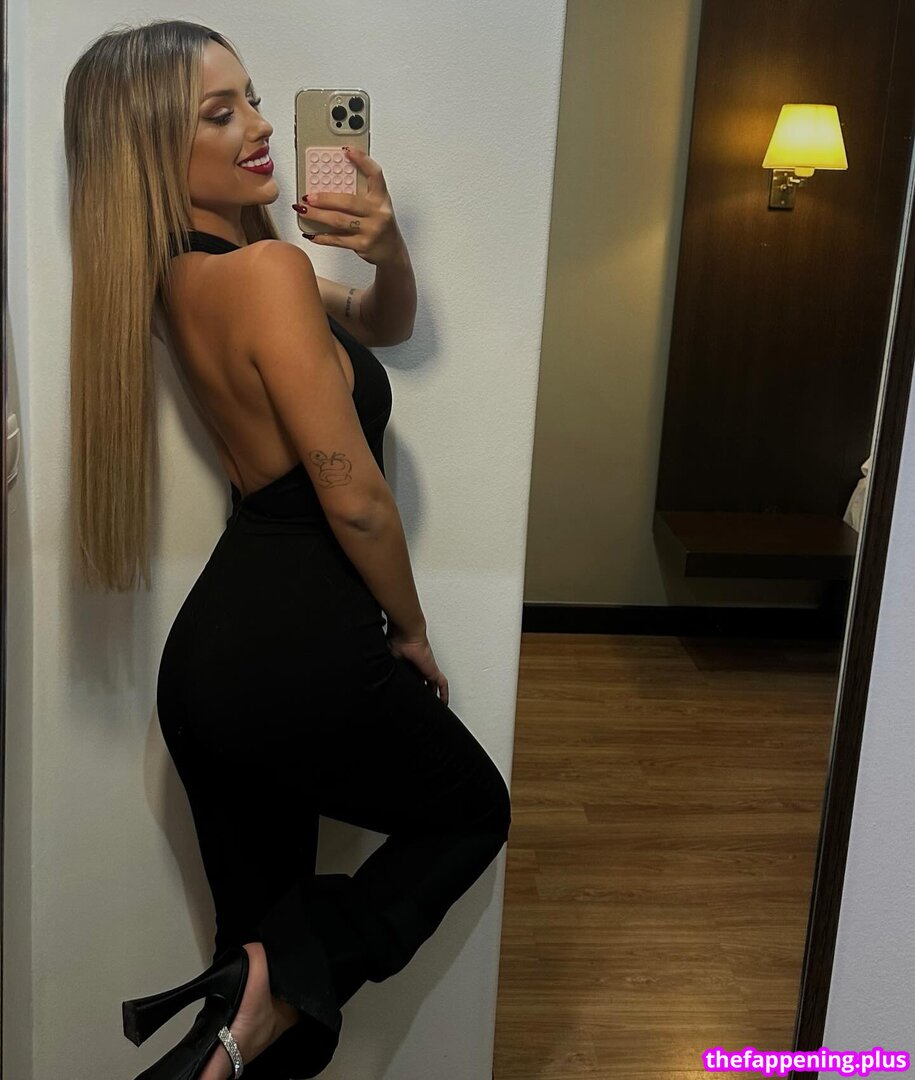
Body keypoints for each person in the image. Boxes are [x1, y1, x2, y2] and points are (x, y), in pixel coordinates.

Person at [65, 19, 512, 1080]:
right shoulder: (264, 271)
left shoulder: (185, 277)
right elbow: (354, 501)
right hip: (297, 648)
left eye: (254, 98)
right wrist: (410, 628)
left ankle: (248, 998)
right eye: (220, 114)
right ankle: (268, 982)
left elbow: (380, 321)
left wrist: (388, 249)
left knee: (264, 1015)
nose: (261, 126)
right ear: (151, 149)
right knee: (469, 813)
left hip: (215, 673)